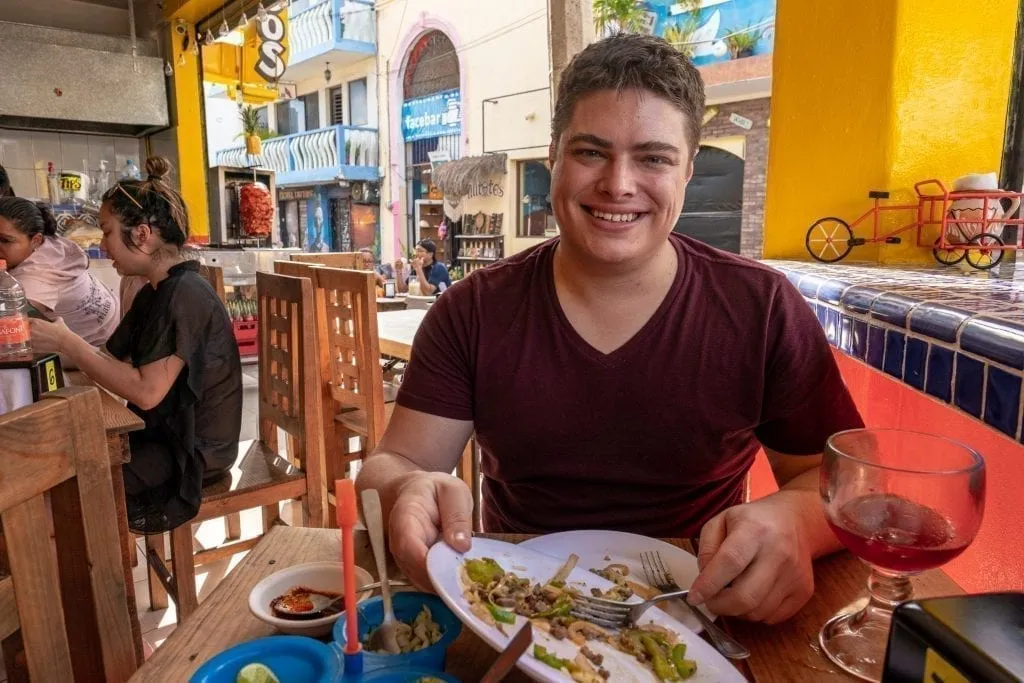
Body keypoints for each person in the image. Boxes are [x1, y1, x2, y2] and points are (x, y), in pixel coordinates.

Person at [357, 34, 864, 625]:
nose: (618, 184)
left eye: (653, 157)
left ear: (687, 169)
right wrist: (404, 492)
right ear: (554, 156)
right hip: (519, 609)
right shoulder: (472, 311)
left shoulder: (762, 308)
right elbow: (391, 463)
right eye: (591, 152)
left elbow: (841, 483)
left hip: (702, 608)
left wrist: (796, 522)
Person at [29, 156, 243, 534]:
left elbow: (146, 392)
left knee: (73, 488)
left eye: (107, 231)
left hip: (194, 449)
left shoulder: (185, 294)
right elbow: (106, 358)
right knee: (62, 461)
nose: (102, 243)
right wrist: (51, 345)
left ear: (141, 234)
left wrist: (68, 342)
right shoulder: (153, 292)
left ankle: (97, 583)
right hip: (166, 433)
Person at [0, 197, 119, 345]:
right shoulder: (49, 242)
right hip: (117, 322)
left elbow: (9, 327)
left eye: (5, 241)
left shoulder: (36, 278)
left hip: (99, 347)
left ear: (36, 240)